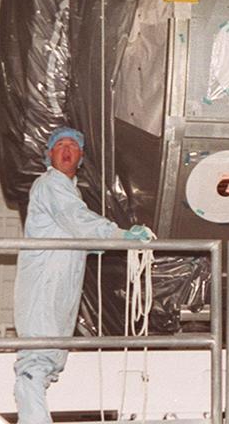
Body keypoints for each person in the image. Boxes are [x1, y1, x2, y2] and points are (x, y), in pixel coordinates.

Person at [14, 127, 152, 424]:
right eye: (60, 145)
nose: (66, 150)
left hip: (60, 282)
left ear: (81, 157)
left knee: (48, 359)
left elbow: (75, 232)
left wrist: (102, 245)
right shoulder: (50, 184)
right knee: (37, 360)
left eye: (73, 146)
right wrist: (119, 235)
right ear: (48, 155)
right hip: (44, 282)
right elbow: (76, 219)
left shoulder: (67, 190)